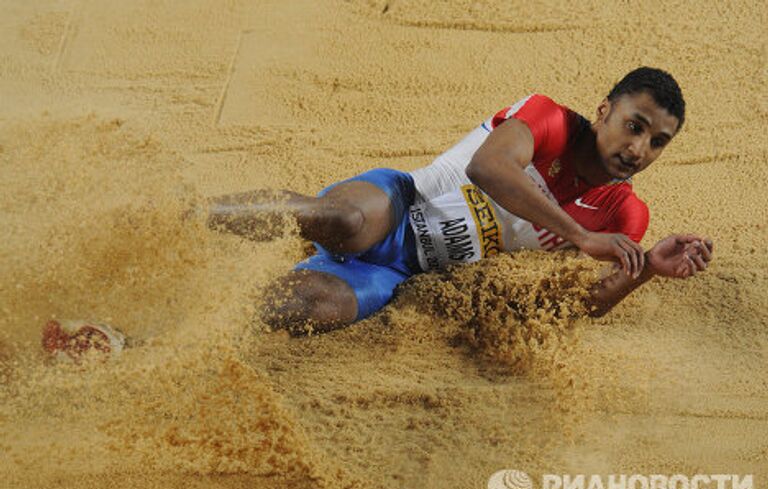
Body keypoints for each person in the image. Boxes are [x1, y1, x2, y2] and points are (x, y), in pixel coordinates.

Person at [43, 67, 713, 358]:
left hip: (404, 273)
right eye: (634, 125)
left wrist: (645, 269)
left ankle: (121, 339)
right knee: (343, 222)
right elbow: (487, 169)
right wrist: (577, 235)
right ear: (604, 112)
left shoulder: (625, 215)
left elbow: (577, 305)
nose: (639, 147)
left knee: (315, 305)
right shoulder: (547, 118)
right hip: (398, 203)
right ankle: (168, 219)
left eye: (658, 141)